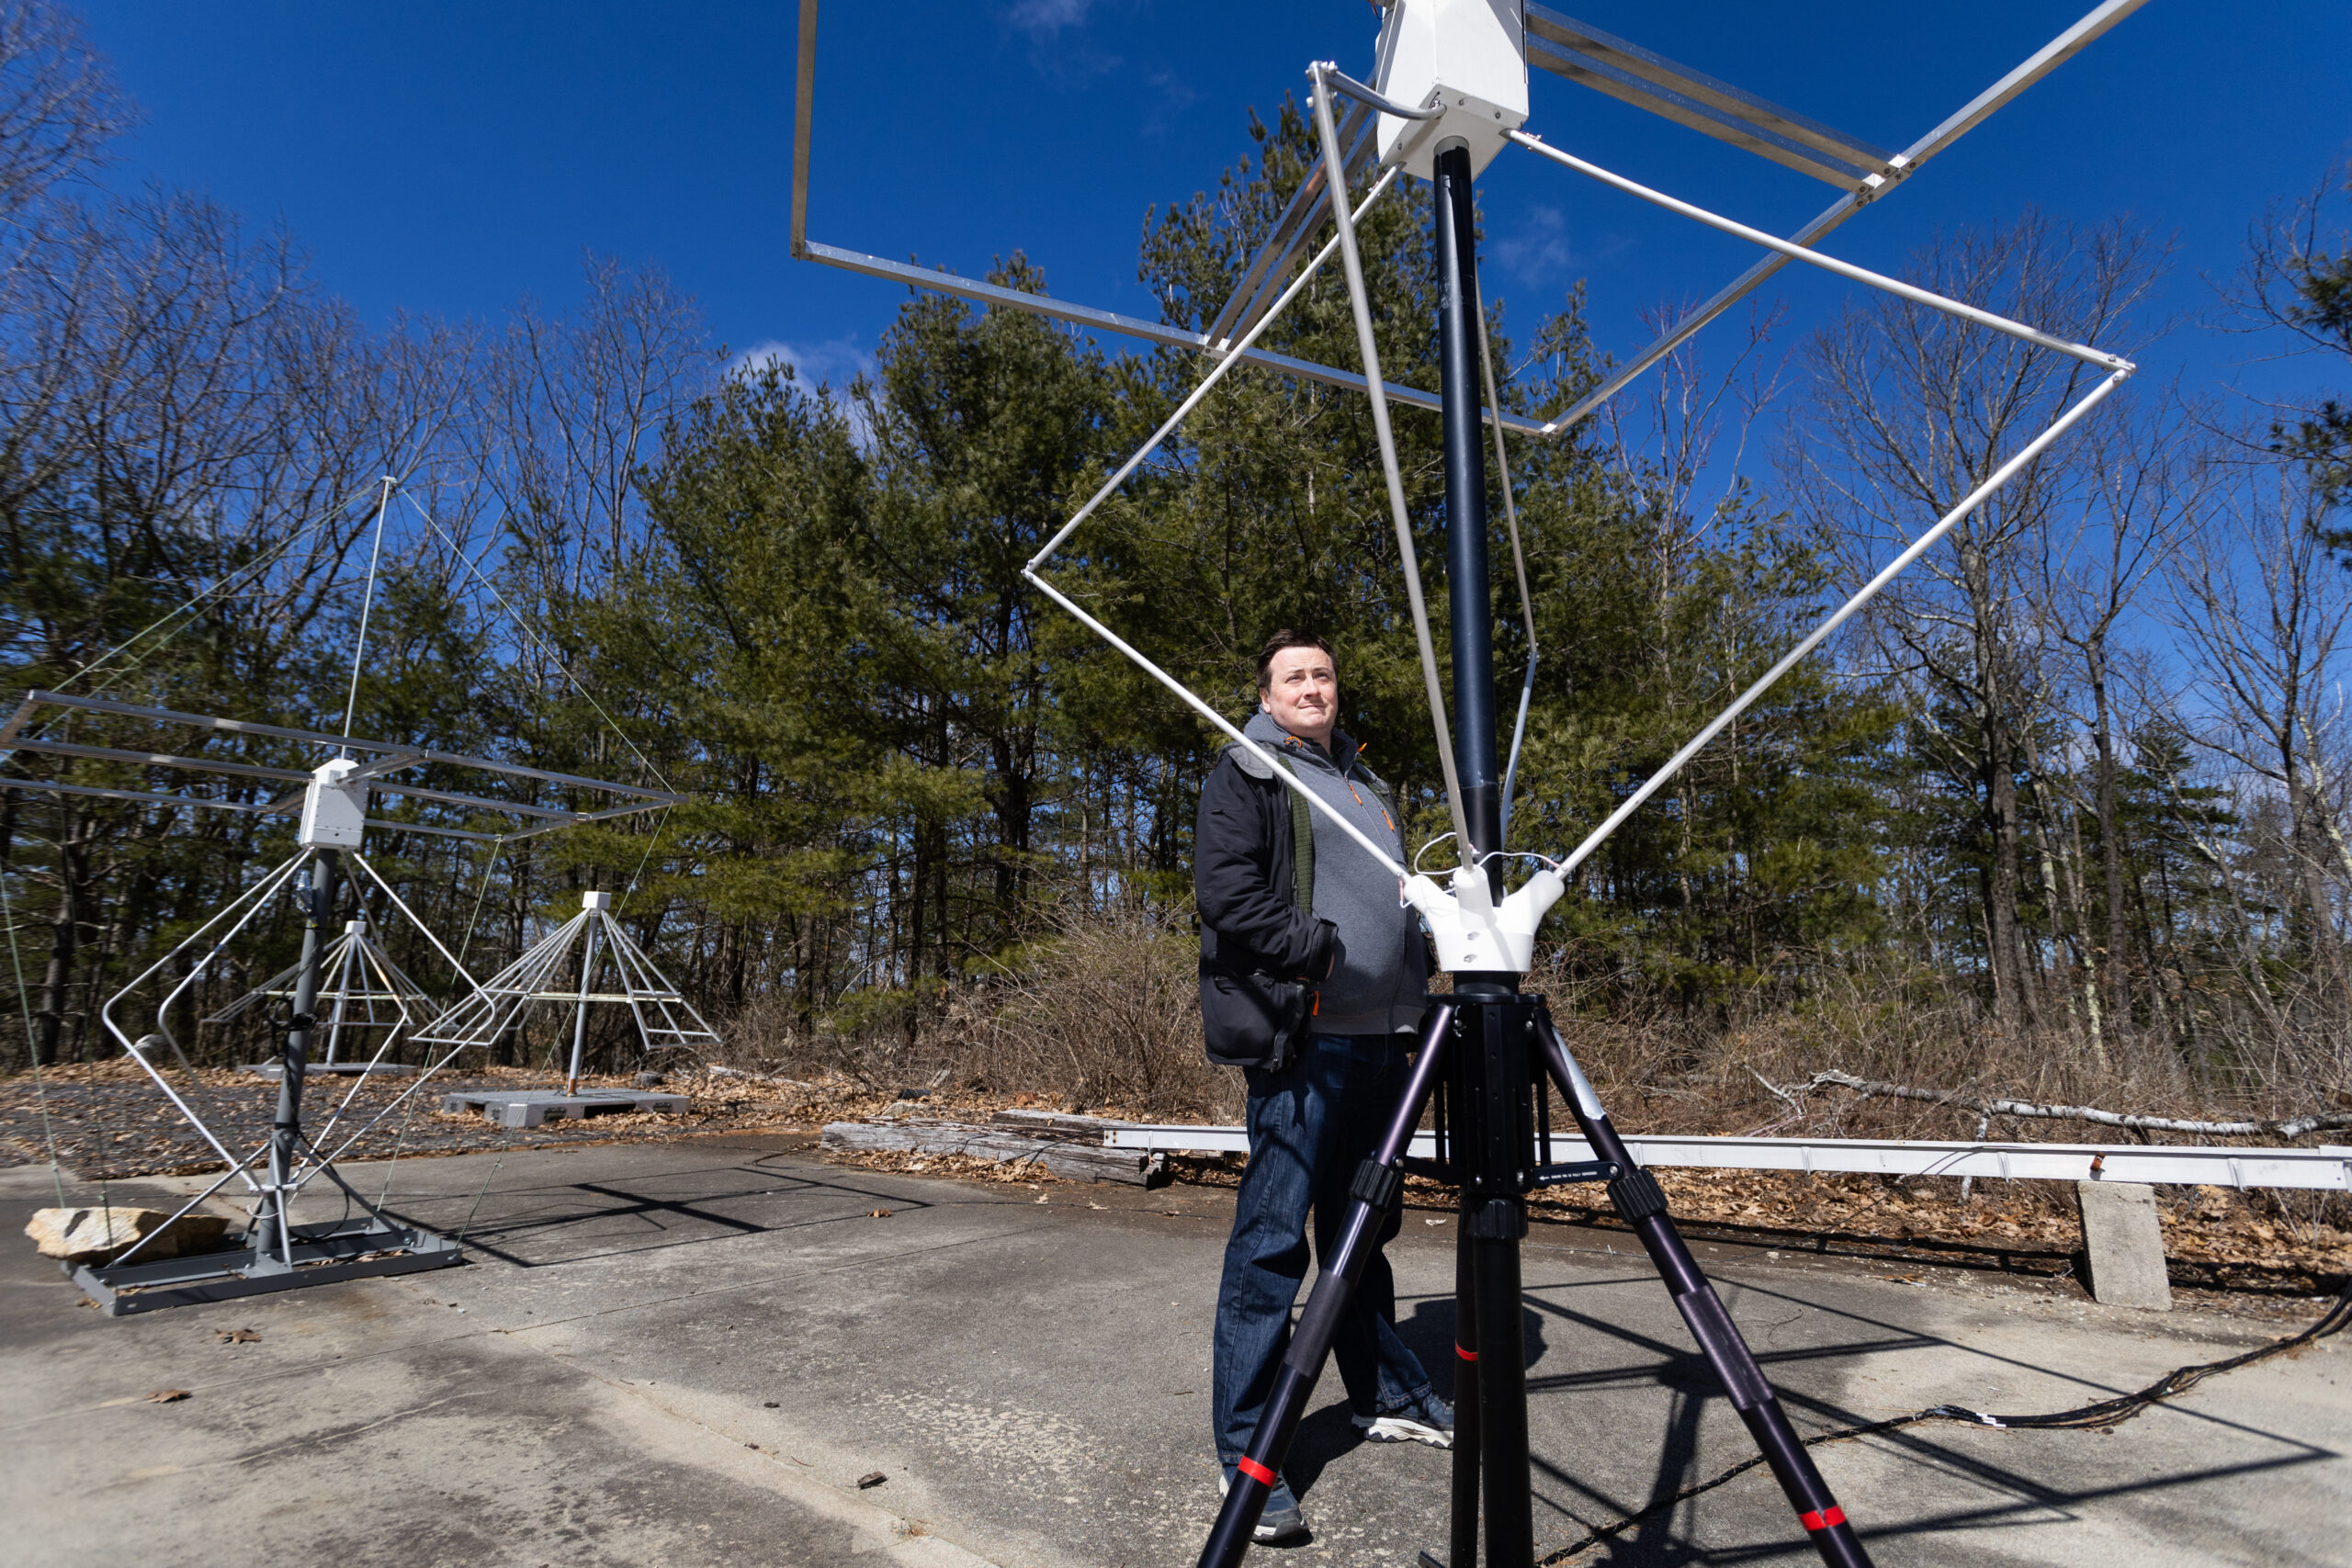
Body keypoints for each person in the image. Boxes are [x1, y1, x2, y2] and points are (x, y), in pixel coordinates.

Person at [1194, 627, 1451, 1544]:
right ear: (1266, 696)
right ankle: (1250, 1457)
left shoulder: (1366, 786)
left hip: (1388, 1043)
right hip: (1304, 1045)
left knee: (1361, 1235)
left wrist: (1426, 955)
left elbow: (1393, 901)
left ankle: (1384, 1392)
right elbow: (1225, 896)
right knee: (1270, 1250)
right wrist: (1326, 950)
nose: (1313, 687)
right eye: (1294, 676)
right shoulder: (1248, 773)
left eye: (1323, 675)